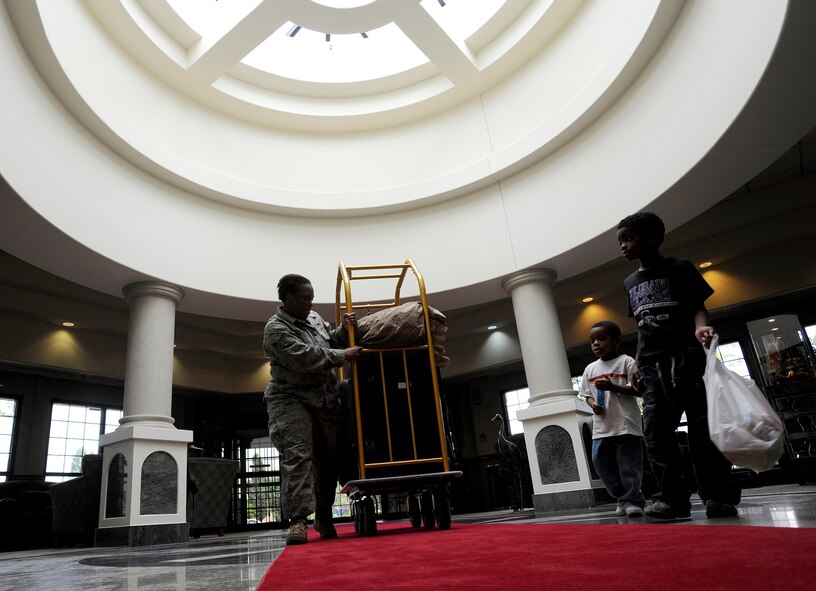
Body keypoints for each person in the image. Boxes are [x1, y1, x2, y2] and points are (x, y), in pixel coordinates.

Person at [616, 212, 740, 520]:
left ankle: (717, 496)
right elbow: (643, 326)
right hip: (652, 368)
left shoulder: (680, 268)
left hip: (688, 359)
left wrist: (701, 327)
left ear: (653, 237)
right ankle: (672, 499)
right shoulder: (630, 282)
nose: (623, 246)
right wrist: (637, 362)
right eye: (620, 241)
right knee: (656, 433)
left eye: (629, 238)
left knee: (704, 428)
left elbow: (698, 307)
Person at [263, 274, 363, 544]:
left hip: (324, 398)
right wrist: (343, 355)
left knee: (329, 460)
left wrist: (343, 330)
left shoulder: (315, 318)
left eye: (312, 298)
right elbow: (304, 357)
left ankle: (324, 516)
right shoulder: (275, 328)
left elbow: (330, 341)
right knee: (299, 455)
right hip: (291, 399)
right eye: (304, 298)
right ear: (287, 298)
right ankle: (298, 521)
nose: (310, 303)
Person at [578, 320, 645, 517]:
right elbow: (587, 395)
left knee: (628, 466)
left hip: (626, 424)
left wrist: (612, 387)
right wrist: (593, 405)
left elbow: (639, 390)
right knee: (601, 464)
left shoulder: (627, 362)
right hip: (602, 427)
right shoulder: (590, 368)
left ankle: (632, 501)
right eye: (592, 340)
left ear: (617, 341)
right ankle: (622, 498)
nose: (596, 343)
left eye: (601, 338)